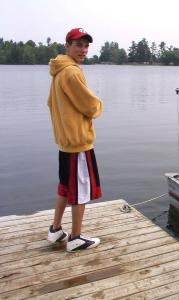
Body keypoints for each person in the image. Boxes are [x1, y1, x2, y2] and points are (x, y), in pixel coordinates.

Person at [46, 28, 104, 252]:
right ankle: (76, 238)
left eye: (86, 45)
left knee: (64, 186)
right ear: (67, 46)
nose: (83, 50)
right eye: (78, 45)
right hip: (78, 143)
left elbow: (50, 103)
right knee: (80, 190)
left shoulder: (58, 71)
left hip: (65, 143)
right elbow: (90, 105)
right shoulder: (71, 72)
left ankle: (55, 229)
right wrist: (99, 105)